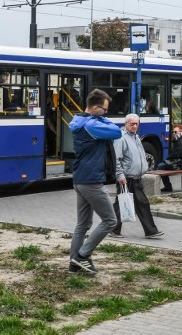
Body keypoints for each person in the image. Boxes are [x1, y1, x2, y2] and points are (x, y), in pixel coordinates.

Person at [68, 88, 122, 274]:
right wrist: (102, 119)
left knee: (82, 224)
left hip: (80, 179)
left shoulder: (79, 121)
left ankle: (74, 266)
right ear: (96, 108)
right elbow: (116, 132)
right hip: (92, 181)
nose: (107, 113)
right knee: (110, 220)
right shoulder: (92, 126)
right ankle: (82, 256)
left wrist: (100, 117)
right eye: (105, 110)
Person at [109, 114, 163, 239]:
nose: (134, 126)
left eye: (136, 124)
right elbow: (117, 159)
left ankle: (150, 231)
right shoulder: (121, 138)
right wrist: (120, 175)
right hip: (126, 178)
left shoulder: (136, 137)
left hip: (136, 177)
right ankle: (114, 229)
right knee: (121, 204)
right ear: (126, 124)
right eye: (132, 124)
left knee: (142, 203)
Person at [158, 124, 182, 192]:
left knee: (161, 166)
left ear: (181, 132)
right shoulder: (181, 140)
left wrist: (166, 160)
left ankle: (167, 186)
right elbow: (174, 154)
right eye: (173, 132)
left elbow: (175, 154)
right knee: (162, 165)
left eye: (175, 132)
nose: (173, 134)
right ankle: (166, 186)